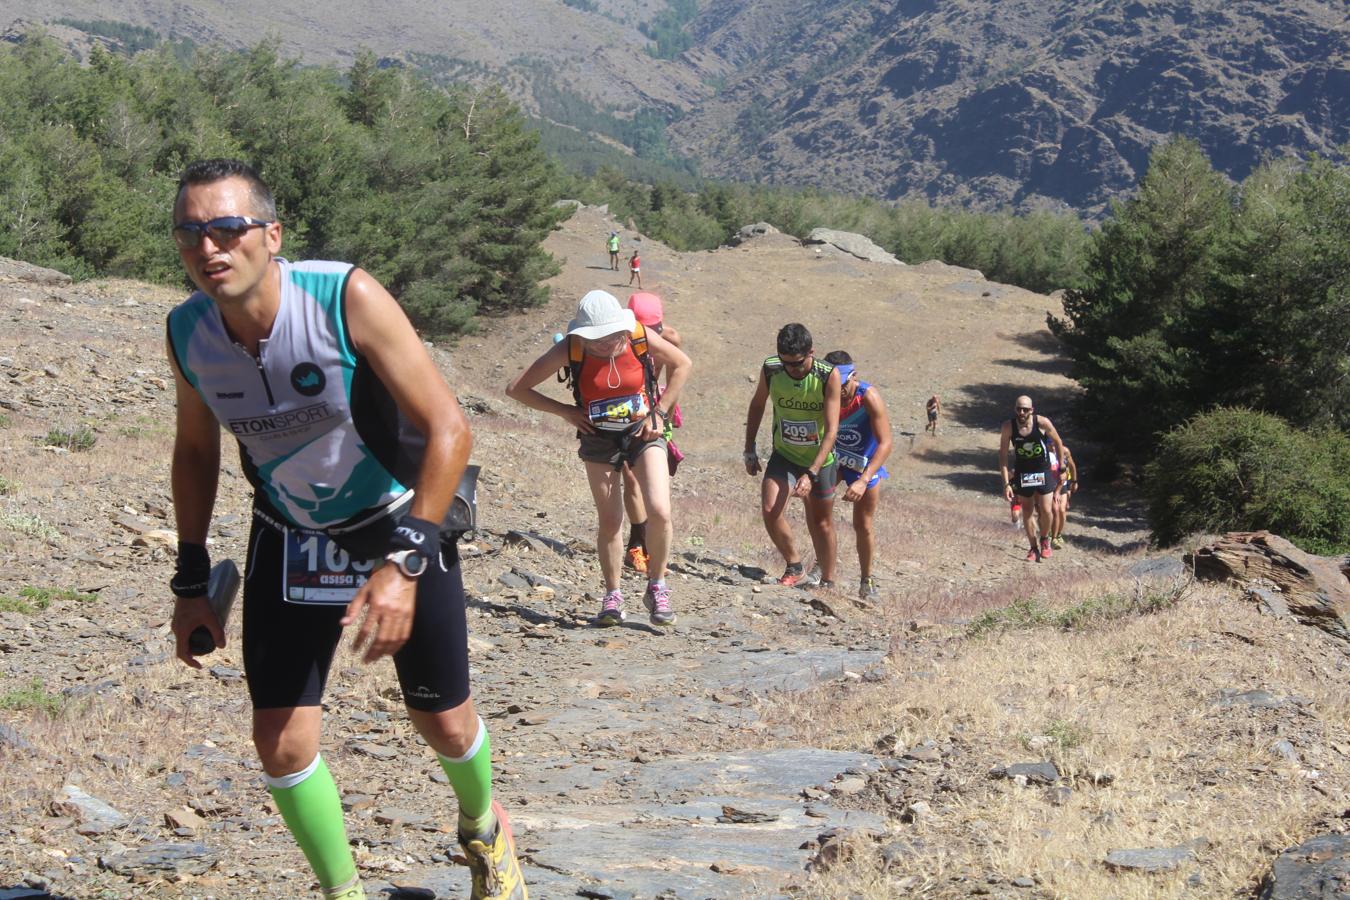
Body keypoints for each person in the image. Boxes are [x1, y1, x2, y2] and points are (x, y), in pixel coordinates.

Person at [165, 160, 524, 899]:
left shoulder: (343, 295)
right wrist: (192, 578)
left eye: (228, 228)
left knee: (445, 723)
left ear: (272, 235)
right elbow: (196, 450)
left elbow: (450, 427)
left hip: (398, 522)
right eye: (190, 233)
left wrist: (407, 560)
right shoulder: (186, 332)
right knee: (281, 742)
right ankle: (344, 893)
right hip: (288, 534)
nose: (210, 248)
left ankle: (484, 828)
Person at [506, 290, 691, 626]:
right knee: (610, 521)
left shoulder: (637, 334)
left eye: (611, 338)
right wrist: (564, 411)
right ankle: (613, 596)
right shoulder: (572, 348)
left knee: (660, 511)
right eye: (597, 341)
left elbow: (682, 363)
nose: (606, 346)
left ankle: (657, 585)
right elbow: (516, 388)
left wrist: (660, 413)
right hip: (597, 439)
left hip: (644, 432)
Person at [744, 323, 841, 587]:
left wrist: (812, 472)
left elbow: (832, 431)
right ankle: (795, 565)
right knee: (769, 509)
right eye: (787, 364)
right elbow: (757, 405)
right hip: (784, 453)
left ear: (812, 353)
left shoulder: (827, 375)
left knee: (822, 523)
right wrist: (749, 447)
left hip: (820, 460)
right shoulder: (772, 368)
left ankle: (828, 583)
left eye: (798, 364)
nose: (793, 370)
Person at [620, 292, 685, 573]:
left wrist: (666, 414)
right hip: (623, 409)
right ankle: (637, 545)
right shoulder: (620, 336)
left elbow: (675, 374)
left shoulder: (669, 339)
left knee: (655, 483)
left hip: (654, 409)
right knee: (631, 477)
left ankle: (653, 547)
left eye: (653, 329)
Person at [823, 351, 893, 600]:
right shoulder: (824, 393)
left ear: (853, 377)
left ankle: (867, 579)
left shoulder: (868, 397)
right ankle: (823, 567)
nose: (837, 390)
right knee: (819, 510)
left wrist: (864, 480)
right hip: (836, 458)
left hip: (865, 464)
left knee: (862, 524)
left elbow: (886, 443)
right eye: (832, 384)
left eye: (842, 384)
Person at [998, 395, 1067, 562]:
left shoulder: (1042, 423)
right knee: (1027, 512)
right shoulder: (1008, 427)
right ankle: (1033, 548)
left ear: (1032, 410)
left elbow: (1058, 442)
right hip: (1023, 473)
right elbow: (1003, 455)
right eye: (1019, 409)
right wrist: (1006, 483)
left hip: (1042, 470)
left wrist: (1062, 467)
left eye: (1025, 409)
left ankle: (1045, 540)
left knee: (1046, 509)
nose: (1021, 412)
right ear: (1015, 409)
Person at [1051, 444, 1079, 548]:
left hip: (1063, 483)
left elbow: (1072, 466)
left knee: (1062, 510)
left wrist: (1074, 481)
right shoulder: (1044, 451)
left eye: (1055, 444)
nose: (1053, 447)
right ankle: (1050, 533)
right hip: (1050, 483)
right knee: (1053, 510)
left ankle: (1058, 533)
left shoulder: (1065, 451)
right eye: (1051, 444)